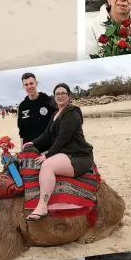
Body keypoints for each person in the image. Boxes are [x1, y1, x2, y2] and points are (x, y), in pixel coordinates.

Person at [25, 83, 94, 221]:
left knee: (47, 165)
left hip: (78, 155)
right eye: (58, 94)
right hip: (65, 152)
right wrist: (33, 143)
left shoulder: (72, 113)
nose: (60, 96)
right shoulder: (56, 114)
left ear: (69, 96)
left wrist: (48, 155)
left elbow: (64, 137)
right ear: (54, 97)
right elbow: (46, 134)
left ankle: (42, 206)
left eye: (63, 93)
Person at [17, 72, 56, 147]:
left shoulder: (48, 101)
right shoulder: (22, 106)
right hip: (30, 148)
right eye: (26, 84)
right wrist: (22, 149)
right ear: (23, 86)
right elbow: (21, 131)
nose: (29, 86)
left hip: (48, 147)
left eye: (31, 83)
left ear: (36, 83)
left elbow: (57, 125)